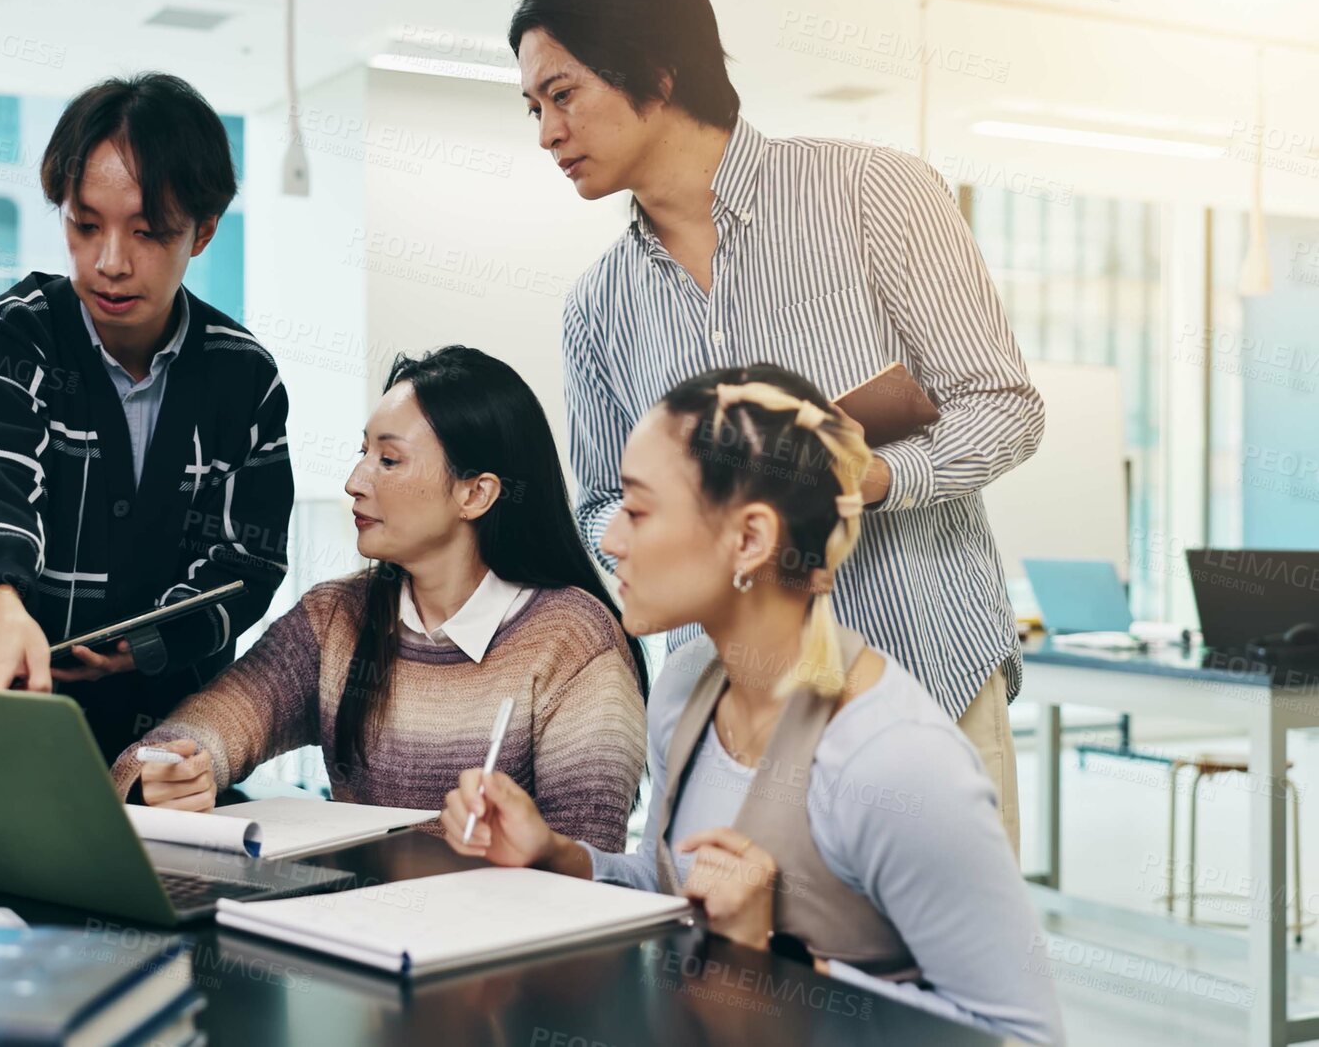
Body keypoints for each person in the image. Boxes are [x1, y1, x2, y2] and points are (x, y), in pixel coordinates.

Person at [508, 0, 1042, 851]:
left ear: (657, 68)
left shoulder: (873, 193)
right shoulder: (596, 308)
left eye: (561, 94)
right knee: (737, 972)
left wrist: (879, 476)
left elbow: (1003, 405)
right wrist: (686, 527)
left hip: (925, 673)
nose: (545, 133)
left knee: (935, 978)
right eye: (532, 107)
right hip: (731, 713)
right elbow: (600, 498)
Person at [441, 365, 1063, 1044]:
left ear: (750, 540)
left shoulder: (893, 762)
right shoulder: (685, 686)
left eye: (638, 510)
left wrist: (776, 967)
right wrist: (558, 857)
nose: (611, 538)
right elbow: (671, 888)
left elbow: (1020, 1037)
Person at [116, 347, 647, 855]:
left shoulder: (573, 641)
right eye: (362, 452)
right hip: (351, 931)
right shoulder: (334, 618)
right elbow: (212, 723)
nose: (354, 482)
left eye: (389, 460)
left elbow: (585, 866)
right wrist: (173, 769)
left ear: (475, 494)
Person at [0, 73, 292, 762]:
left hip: (170, 751)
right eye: (84, 225)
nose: (109, 263)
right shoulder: (7, 338)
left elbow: (247, 561)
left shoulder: (243, 377)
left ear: (204, 232)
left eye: (148, 232)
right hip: (5, 736)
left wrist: (146, 645)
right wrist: (2, 604)